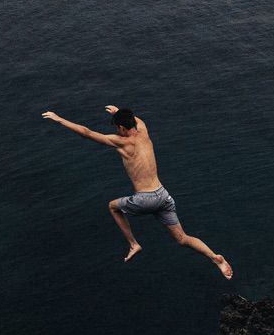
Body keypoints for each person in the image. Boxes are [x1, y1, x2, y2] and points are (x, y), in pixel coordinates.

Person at [41, 105, 233, 279]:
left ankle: (133, 244)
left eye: (117, 128)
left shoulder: (121, 142)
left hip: (146, 199)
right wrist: (118, 112)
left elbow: (87, 132)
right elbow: (134, 119)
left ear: (122, 128)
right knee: (182, 238)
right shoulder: (144, 130)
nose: (117, 131)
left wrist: (60, 119)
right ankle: (215, 257)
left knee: (113, 207)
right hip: (163, 195)